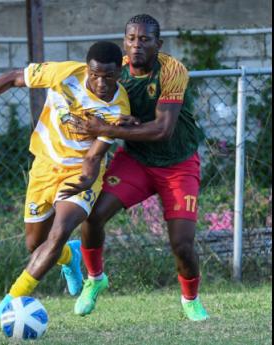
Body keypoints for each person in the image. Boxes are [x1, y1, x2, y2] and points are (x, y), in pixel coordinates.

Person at [0, 41, 131, 319]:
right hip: (44, 168)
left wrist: (87, 179)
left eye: (108, 76)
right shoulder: (64, 74)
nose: (100, 82)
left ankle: (12, 299)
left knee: (59, 232)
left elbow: (94, 156)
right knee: (35, 244)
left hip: (79, 175)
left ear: (119, 72)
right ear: (87, 69)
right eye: (95, 75)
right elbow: (12, 78)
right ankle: (69, 257)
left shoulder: (118, 108)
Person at [70, 14, 209, 321]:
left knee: (182, 244)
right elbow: (93, 110)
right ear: (124, 42)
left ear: (158, 44)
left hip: (178, 165)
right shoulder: (113, 72)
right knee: (92, 217)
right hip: (137, 161)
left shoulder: (172, 70)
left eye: (145, 39)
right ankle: (95, 280)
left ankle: (190, 299)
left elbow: (162, 130)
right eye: (131, 39)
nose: (136, 45)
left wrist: (108, 129)